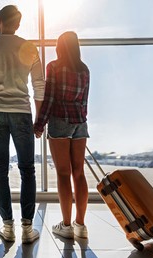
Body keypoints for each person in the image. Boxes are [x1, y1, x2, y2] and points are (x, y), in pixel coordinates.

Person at [0, 5, 45, 243]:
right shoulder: (30, 48)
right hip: (22, 112)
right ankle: (26, 228)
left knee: (1, 171)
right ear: (18, 24)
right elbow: (39, 86)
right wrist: (38, 120)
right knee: (27, 170)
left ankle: (8, 227)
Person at [34, 31, 90, 239]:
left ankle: (66, 226)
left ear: (60, 46)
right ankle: (81, 225)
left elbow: (49, 99)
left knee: (63, 174)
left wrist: (39, 124)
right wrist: (80, 121)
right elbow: (85, 100)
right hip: (80, 123)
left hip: (59, 121)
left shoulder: (54, 67)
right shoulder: (84, 70)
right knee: (79, 173)